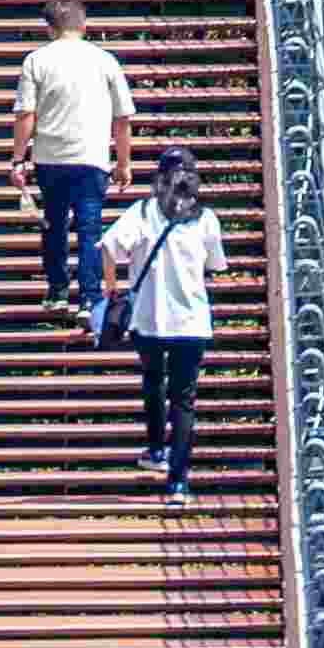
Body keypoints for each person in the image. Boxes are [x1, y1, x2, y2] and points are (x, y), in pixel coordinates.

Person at [103, 143, 232, 503]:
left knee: (153, 381)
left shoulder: (143, 212)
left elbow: (108, 247)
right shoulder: (205, 218)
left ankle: (157, 450)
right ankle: (178, 483)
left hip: (149, 319)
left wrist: (113, 293)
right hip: (191, 323)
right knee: (185, 400)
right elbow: (216, 265)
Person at [9, 0, 140, 327]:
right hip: (91, 158)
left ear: (49, 28)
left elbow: (26, 114)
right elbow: (123, 118)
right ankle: (89, 298)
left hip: (50, 159)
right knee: (89, 228)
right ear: (84, 25)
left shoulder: (36, 61)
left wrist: (18, 160)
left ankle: (56, 291)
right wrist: (123, 163)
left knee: (53, 225)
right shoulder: (105, 60)